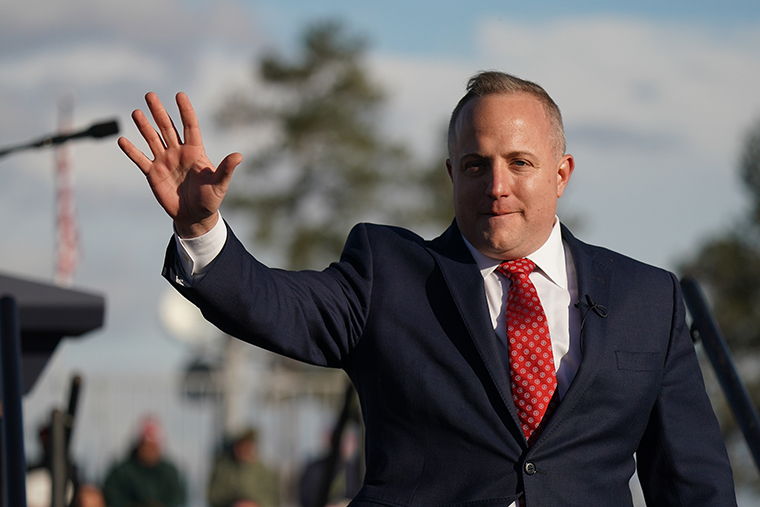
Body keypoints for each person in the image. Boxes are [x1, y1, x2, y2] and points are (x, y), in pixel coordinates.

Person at [118, 71, 737, 506]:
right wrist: (201, 229)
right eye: (475, 165)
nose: (496, 184)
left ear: (561, 173)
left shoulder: (647, 300)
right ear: (450, 174)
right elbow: (274, 306)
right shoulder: (388, 273)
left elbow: (695, 484)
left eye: (519, 162)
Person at [102, 416, 185, 507]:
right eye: (145, 445)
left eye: (153, 446)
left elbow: (178, 499)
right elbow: (111, 496)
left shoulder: (170, 473)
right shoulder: (121, 472)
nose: (148, 450)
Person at [207, 428, 279, 507]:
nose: (243, 450)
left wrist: (254, 504)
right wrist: (235, 503)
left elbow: (273, 499)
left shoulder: (264, 472)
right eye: (240, 446)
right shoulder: (223, 469)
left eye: (247, 447)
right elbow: (213, 496)